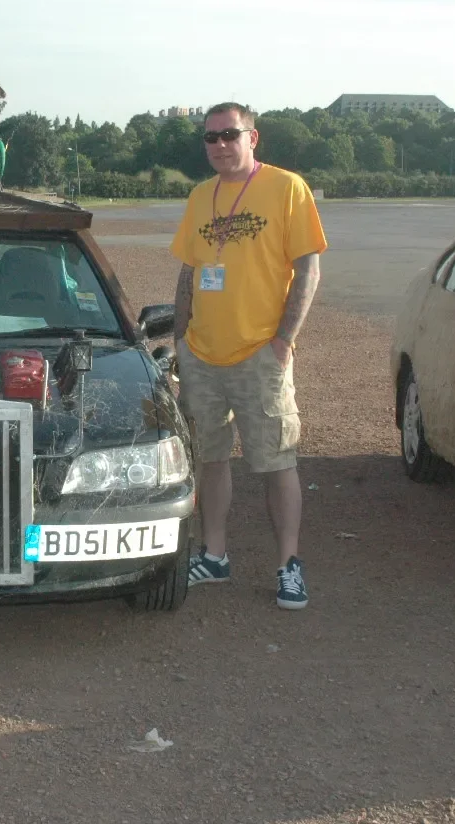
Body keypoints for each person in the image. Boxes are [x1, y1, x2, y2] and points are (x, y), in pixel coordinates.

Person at [169, 102, 327, 610]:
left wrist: (283, 340)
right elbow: (190, 273)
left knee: (277, 461)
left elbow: (309, 269)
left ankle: (289, 564)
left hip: (260, 352)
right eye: (210, 138)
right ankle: (214, 555)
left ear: (251, 138)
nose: (219, 145)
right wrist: (180, 341)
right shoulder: (201, 196)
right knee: (210, 458)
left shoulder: (287, 188)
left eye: (229, 135)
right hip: (202, 354)